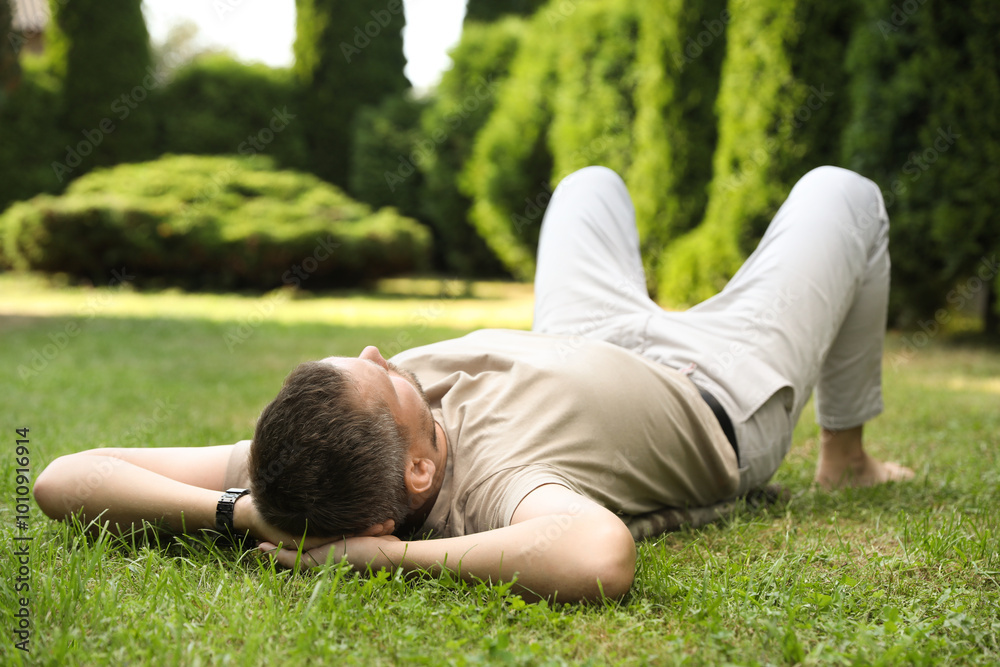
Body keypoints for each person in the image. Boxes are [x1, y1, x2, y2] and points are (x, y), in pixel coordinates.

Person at [33, 165, 914, 603]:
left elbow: (64, 474)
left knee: (588, 185)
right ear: (419, 474)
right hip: (720, 383)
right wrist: (387, 559)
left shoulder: (299, 463)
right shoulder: (493, 488)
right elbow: (599, 555)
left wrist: (244, 511)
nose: (383, 355)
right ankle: (848, 457)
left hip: (586, 332)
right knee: (846, 193)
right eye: (385, 382)